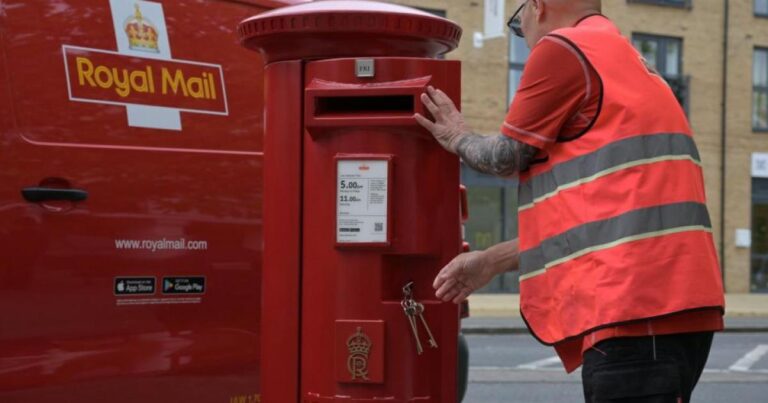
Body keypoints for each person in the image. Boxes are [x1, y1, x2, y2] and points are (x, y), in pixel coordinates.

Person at [414, 1, 726, 402]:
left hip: (633, 310)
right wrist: (490, 262)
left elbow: (506, 156)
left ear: (539, 6)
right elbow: (598, 228)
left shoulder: (565, 48)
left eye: (517, 23)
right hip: (672, 309)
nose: (524, 39)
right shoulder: (627, 60)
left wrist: (457, 135)